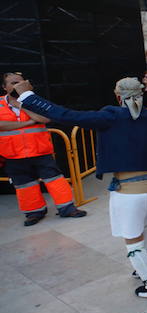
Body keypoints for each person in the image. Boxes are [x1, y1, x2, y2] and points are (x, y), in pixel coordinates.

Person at [16, 76, 147, 298]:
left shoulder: (111, 116)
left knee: (132, 238)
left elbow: (65, 115)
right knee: (146, 228)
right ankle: (141, 268)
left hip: (128, 190)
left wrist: (27, 96)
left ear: (117, 96)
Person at [1, 73, 86, 226]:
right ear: (4, 87)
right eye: (14, 83)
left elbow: (45, 119)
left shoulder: (32, 100)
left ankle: (67, 208)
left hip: (40, 151)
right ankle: (34, 213)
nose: (18, 85)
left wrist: (21, 105)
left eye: (21, 82)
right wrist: (29, 122)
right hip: (13, 154)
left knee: (55, 180)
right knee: (25, 185)